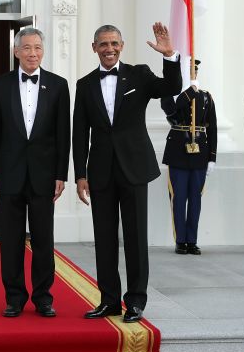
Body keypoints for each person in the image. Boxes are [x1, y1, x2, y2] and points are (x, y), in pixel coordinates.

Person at [73, 23, 182, 323]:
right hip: (101, 171)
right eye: (103, 44)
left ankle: (135, 301)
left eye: (114, 43)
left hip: (134, 167)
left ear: (122, 45)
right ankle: (109, 300)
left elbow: (170, 88)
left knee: (135, 239)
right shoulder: (84, 84)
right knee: (104, 238)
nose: (109, 49)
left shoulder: (140, 74)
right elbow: (79, 132)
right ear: (93, 47)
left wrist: (169, 55)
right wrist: (79, 174)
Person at [0, 27, 71, 318]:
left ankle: (44, 297)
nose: (33, 53)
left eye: (37, 48)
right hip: (8, 174)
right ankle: (14, 298)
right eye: (27, 48)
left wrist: (61, 173)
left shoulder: (59, 85)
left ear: (42, 52)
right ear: (16, 51)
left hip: (45, 175)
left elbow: (63, 134)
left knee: (44, 239)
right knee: (10, 239)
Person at [160, 59, 217, 255]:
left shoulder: (206, 97)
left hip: (199, 152)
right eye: (188, 71)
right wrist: (190, 91)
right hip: (178, 152)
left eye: (194, 71)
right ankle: (180, 240)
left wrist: (212, 158)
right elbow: (172, 111)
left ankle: (192, 240)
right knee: (178, 198)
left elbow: (213, 129)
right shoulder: (171, 95)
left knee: (195, 198)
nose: (192, 75)